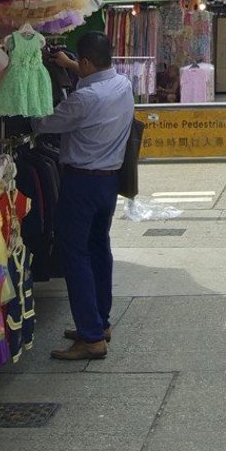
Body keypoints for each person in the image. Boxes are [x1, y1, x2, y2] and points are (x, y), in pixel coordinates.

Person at [33, 30, 135, 360]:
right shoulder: (123, 85)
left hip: (81, 184)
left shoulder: (83, 100)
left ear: (87, 61)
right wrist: (71, 65)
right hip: (108, 183)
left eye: (81, 62)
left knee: (74, 256)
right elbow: (94, 78)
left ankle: (91, 338)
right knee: (98, 250)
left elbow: (43, 124)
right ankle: (99, 322)